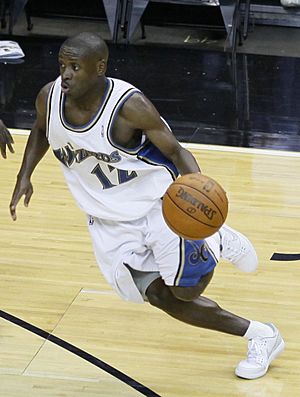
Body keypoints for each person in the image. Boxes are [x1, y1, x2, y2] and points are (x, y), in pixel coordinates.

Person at [9, 32, 284, 380]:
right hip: (108, 221)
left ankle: (215, 241)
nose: (65, 74)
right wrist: (25, 175)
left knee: (185, 291)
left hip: (161, 208)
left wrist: (199, 195)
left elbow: (176, 151)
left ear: (99, 68)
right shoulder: (49, 98)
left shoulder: (128, 106)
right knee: (160, 298)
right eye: (62, 65)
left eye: (75, 67)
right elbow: (40, 130)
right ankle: (261, 333)